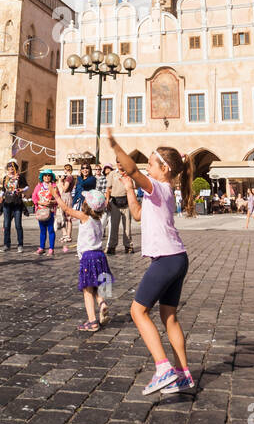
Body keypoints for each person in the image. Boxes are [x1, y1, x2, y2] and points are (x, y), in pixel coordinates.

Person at [106, 130, 195, 395]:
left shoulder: (161, 187)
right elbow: (136, 214)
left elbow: (133, 169)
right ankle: (183, 374)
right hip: (177, 258)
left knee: (137, 312)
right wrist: (131, 188)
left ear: (164, 169)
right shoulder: (158, 193)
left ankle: (163, 367)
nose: (147, 167)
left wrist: (115, 144)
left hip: (167, 260)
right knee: (169, 317)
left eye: (151, 164)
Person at [50, 185, 113, 332]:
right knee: (96, 284)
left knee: (87, 290)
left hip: (88, 257)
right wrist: (107, 195)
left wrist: (56, 196)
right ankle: (102, 303)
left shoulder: (85, 217)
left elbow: (67, 210)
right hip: (100, 256)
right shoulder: (100, 219)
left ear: (86, 204)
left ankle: (92, 321)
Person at [104, 164, 134, 255]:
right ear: (116, 163)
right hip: (115, 202)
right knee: (114, 226)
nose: (120, 164)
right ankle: (112, 246)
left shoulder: (129, 173)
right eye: (118, 162)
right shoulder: (112, 174)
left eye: (121, 162)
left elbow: (134, 187)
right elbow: (108, 188)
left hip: (126, 202)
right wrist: (107, 201)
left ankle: (128, 246)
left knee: (127, 226)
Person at [33, 168, 59, 256]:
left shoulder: (54, 186)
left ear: (51, 177)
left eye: (49, 175)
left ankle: (51, 248)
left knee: (51, 229)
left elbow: (58, 199)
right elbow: (34, 198)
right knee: (42, 230)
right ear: (42, 177)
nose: (47, 177)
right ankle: (42, 247)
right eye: (45, 175)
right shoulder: (38, 187)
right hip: (40, 211)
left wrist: (51, 202)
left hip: (50, 211)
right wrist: (40, 202)